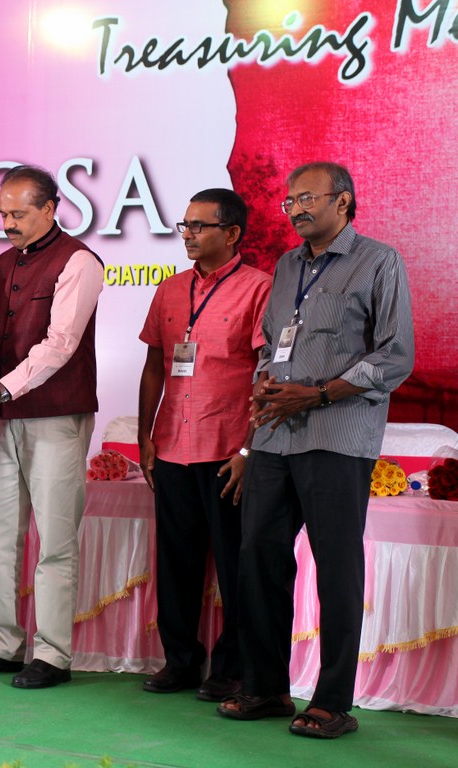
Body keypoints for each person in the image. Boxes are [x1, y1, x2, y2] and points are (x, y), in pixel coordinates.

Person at [217, 162, 414, 739]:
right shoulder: (286, 266)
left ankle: (332, 702)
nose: (295, 209)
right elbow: (273, 343)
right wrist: (265, 382)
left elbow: (395, 356)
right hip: (275, 435)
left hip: (338, 435)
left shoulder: (379, 261)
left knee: (336, 566)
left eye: (307, 198)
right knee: (258, 556)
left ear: (343, 201)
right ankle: (266, 687)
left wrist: (320, 393)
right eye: (289, 201)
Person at [0, 165, 103, 689]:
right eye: (3, 214)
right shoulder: (1, 262)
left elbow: (60, 345)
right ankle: (0, 643)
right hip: (5, 415)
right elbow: (6, 340)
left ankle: (53, 654)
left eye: (18, 213)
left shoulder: (80, 261)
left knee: (55, 539)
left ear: (50, 208)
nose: (8, 223)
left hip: (56, 416)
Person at [137, 189, 271, 701]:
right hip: (172, 444)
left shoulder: (259, 288)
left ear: (232, 233)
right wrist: (146, 436)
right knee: (176, 562)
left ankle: (230, 668)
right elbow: (154, 366)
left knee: (236, 565)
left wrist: (249, 450)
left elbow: (266, 374)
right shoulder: (170, 289)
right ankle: (180, 662)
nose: (188, 235)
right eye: (185, 225)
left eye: (199, 226)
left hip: (227, 449)